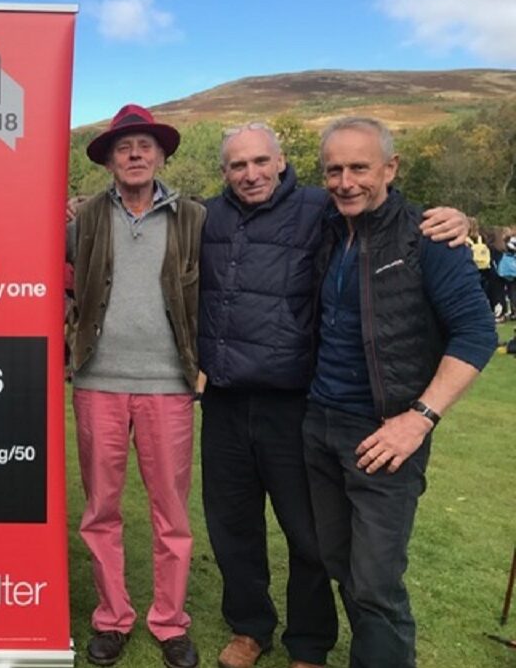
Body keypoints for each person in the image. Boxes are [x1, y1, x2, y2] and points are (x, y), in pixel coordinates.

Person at [198, 122, 470, 668]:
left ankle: (308, 642)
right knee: (233, 527)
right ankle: (250, 628)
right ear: (223, 173)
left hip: (294, 401)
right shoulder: (206, 216)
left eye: (259, 161)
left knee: (309, 536)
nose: (249, 174)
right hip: (226, 400)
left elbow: (387, 211)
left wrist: (458, 217)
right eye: (236, 165)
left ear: (281, 162)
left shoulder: (317, 206)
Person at [303, 117, 496, 668]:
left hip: (388, 434)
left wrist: (419, 419)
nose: (345, 181)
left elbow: (478, 333)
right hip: (320, 425)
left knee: (376, 583)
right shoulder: (329, 226)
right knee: (339, 564)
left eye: (359, 168)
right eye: (334, 170)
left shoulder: (427, 236)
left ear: (390, 168)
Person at [67, 104, 204, 668]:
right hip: (98, 381)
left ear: (163, 154)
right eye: (124, 148)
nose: (135, 155)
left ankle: (170, 622)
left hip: (169, 383)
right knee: (101, 508)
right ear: (109, 161)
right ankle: (112, 617)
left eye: (145, 146)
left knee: (171, 511)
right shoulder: (86, 219)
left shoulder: (195, 217)